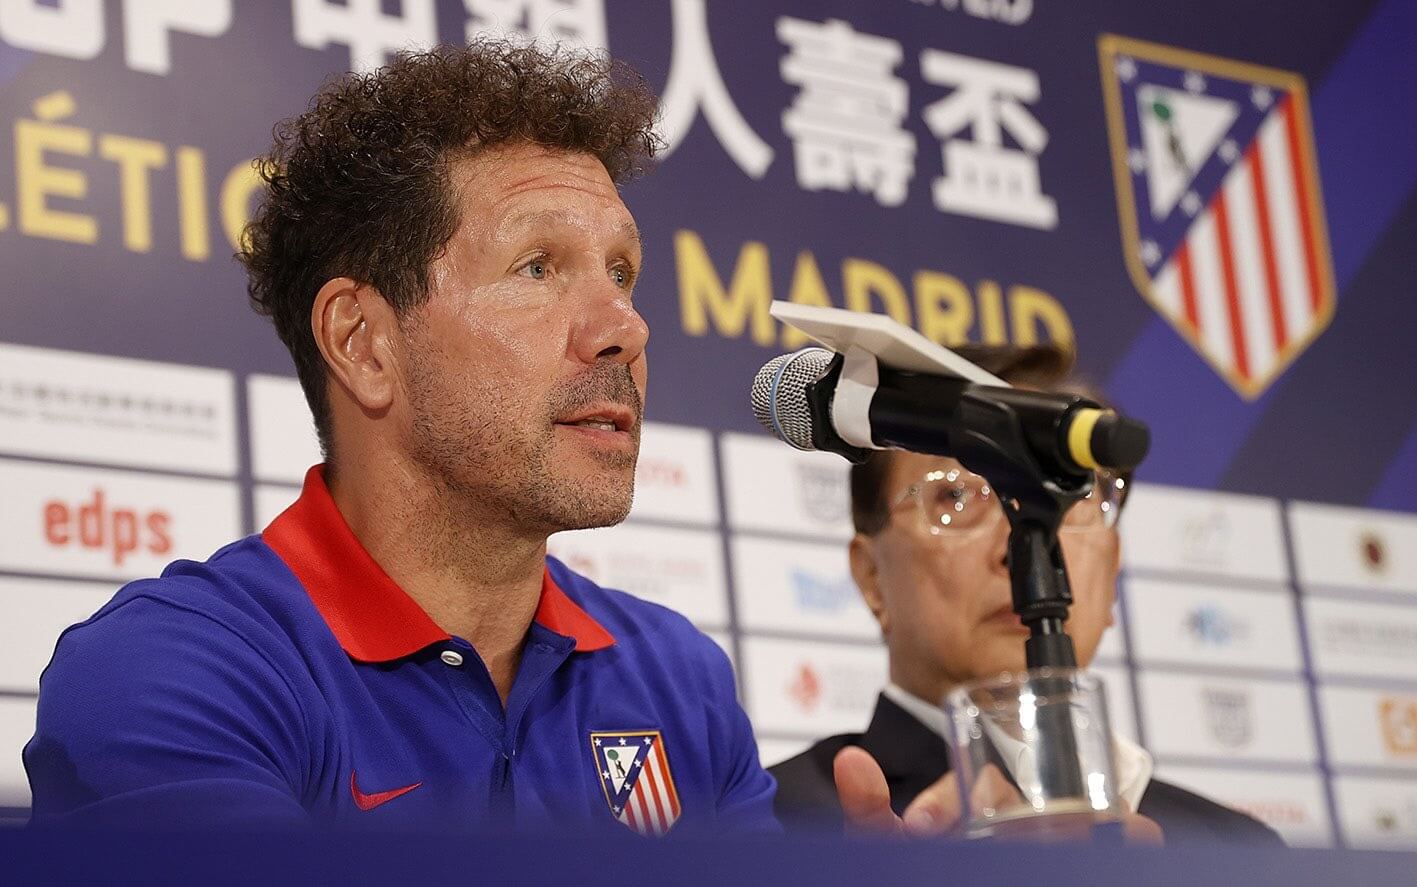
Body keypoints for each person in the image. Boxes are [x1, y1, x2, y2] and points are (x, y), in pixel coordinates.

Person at [24, 42, 775, 835]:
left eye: (621, 271)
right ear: (362, 344)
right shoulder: (170, 672)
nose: (624, 326)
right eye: (536, 266)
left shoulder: (678, 679)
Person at [769, 345, 1283, 846]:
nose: (1017, 548)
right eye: (957, 496)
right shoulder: (775, 828)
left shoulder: (1233, 849)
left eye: (1067, 493)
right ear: (871, 577)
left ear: (1113, 565)